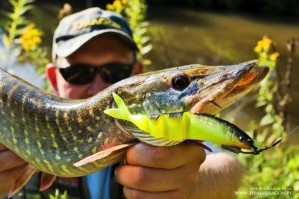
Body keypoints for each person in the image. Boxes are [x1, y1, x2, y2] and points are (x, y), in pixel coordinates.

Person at [0, 7, 243, 199]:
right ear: (53, 78)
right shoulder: (21, 114)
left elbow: (228, 170)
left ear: (136, 73)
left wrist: (196, 182)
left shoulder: (162, 126)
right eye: (79, 73)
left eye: (115, 71)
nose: (98, 86)